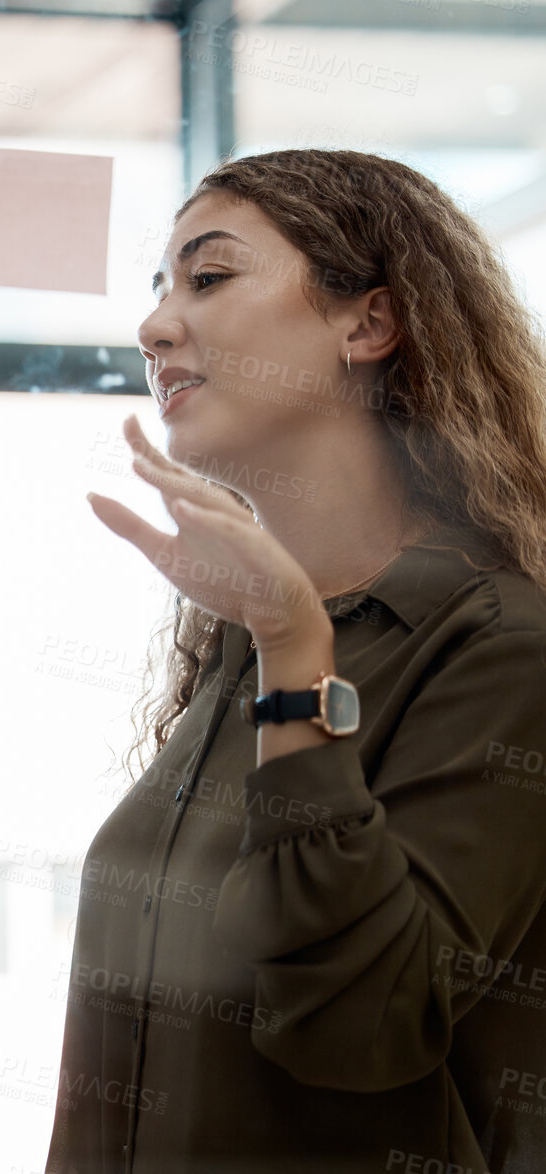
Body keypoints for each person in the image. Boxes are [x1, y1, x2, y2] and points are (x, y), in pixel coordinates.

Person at [59, 150, 546, 1172]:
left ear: (367, 324)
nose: (153, 327)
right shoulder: (245, 640)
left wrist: (293, 658)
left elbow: (356, 1026)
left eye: (208, 277)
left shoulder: (502, 647)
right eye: (158, 290)